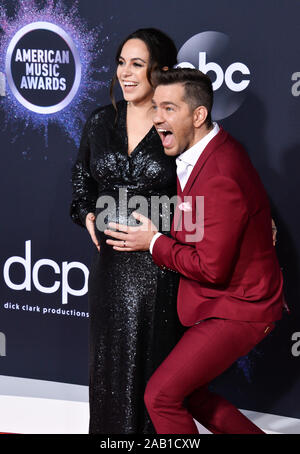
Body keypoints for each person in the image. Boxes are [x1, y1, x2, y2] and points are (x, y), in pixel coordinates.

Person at [104, 68, 285, 434]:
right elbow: (213, 213)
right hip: (228, 298)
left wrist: (153, 242)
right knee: (191, 394)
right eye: (156, 107)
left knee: (161, 396)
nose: (157, 118)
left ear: (198, 116)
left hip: (240, 307)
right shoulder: (211, 146)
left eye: (169, 108)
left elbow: (212, 268)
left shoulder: (219, 170)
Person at [70, 29, 184, 434]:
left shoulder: (178, 122)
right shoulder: (101, 121)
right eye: (121, 62)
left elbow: (205, 189)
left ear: (163, 70)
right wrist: (85, 214)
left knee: (155, 374)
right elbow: (82, 181)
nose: (126, 73)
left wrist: (157, 234)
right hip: (112, 269)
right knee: (110, 372)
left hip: (161, 269)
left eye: (137, 64)